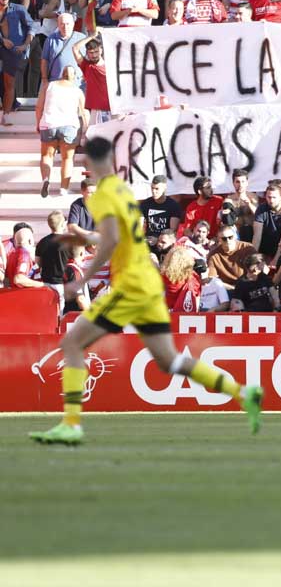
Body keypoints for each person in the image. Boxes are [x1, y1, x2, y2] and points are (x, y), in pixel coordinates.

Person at [29, 136, 264, 444]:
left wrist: (83, 278)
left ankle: (71, 425)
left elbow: (111, 240)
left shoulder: (104, 196)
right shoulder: (123, 193)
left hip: (130, 286)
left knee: (73, 343)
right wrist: (86, 238)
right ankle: (243, 392)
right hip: (148, 284)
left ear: (90, 163)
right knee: (169, 360)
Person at [37, 63, 87, 198]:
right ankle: (63, 189)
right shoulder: (77, 90)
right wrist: (86, 129)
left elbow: (39, 107)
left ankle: (46, 180)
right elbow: (84, 112)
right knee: (67, 158)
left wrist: (38, 123)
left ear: (62, 75)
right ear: (74, 77)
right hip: (69, 126)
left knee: (46, 156)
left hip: (49, 124)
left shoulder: (49, 86)